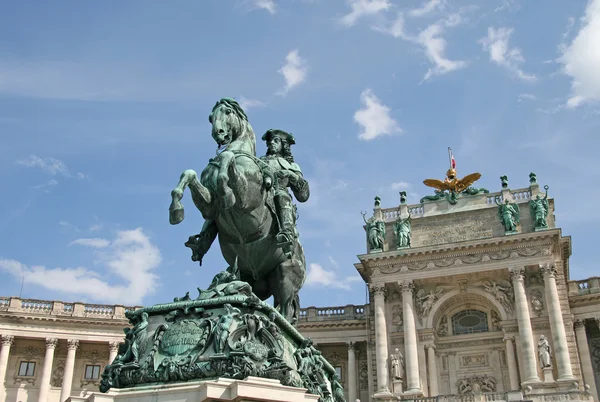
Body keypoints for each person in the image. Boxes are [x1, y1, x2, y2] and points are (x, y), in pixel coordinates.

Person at [260, 129, 309, 257]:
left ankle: (287, 234)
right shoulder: (258, 161)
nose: (271, 143)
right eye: (270, 141)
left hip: (279, 195)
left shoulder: (291, 166)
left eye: (276, 141)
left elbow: (303, 196)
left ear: (284, 144)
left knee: (281, 196)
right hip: (259, 194)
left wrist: (290, 175)